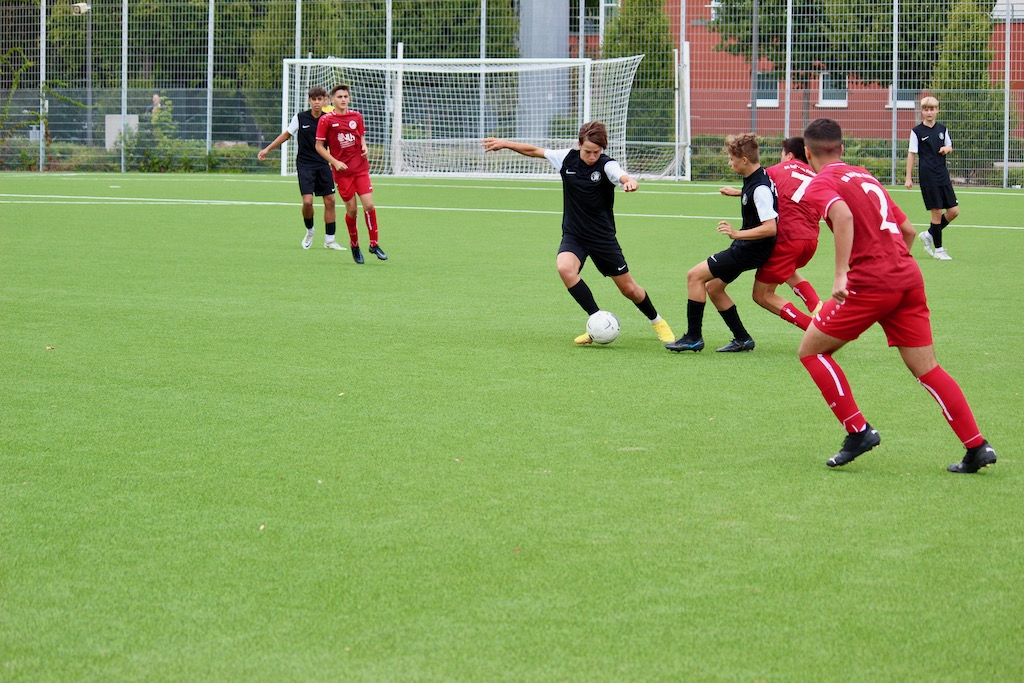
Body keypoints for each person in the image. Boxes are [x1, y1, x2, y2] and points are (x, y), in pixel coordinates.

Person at [798, 117, 996, 473]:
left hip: (870, 282)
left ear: (808, 153)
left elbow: (842, 216)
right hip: (907, 276)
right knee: (928, 369)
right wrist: (891, 265)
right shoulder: (865, 176)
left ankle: (858, 430)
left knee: (811, 351)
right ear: (841, 149)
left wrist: (842, 273)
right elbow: (907, 230)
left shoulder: (821, 183)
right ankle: (977, 445)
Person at [481, 122, 674, 346]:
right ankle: (597, 321)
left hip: (602, 238)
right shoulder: (566, 158)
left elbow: (621, 175)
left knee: (629, 289)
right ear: (579, 144)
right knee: (565, 268)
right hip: (574, 235)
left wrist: (629, 181)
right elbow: (534, 151)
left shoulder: (607, 165)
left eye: (597, 152)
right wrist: (506, 144)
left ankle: (658, 322)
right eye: (588, 151)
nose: (592, 156)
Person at [666, 133, 776, 353]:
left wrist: (736, 234)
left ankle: (693, 337)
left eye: (731, 159)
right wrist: (738, 193)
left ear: (744, 160)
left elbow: (770, 227)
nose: (729, 163)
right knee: (714, 288)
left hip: (750, 249)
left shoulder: (760, 188)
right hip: (751, 248)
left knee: (694, 276)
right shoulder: (758, 177)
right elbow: (758, 196)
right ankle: (742, 339)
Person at [719, 137, 822, 332]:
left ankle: (816, 330)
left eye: (782, 154)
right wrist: (738, 193)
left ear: (789, 156)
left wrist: (738, 192)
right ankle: (816, 306)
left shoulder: (778, 170)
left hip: (788, 238)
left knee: (762, 295)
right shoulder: (815, 175)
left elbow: (760, 185)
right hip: (810, 240)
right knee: (788, 271)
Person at [258, 86, 340, 250]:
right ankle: (310, 230)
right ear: (309, 101)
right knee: (308, 202)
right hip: (305, 165)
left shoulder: (329, 119)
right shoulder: (300, 118)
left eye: (320, 99)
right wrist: (267, 149)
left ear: (325, 101)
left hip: (323, 163)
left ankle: (330, 241)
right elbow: (286, 134)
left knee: (330, 200)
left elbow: (336, 141)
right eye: (314, 99)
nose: (317, 102)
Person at [315, 84, 388, 264]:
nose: (343, 99)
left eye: (345, 96)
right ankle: (354, 245)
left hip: (360, 168)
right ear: (332, 100)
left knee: (369, 205)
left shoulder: (356, 116)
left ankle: (374, 244)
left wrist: (364, 146)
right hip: (342, 173)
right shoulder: (326, 120)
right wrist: (335, 162)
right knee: (352, 210)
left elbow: (360, 136)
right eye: (339, 97)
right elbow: (319, 146)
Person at [904, 96, 958, 261]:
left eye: (932, 109)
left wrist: (947, 149)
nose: (929, 112)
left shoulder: (942, 129)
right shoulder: (917, 132)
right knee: (937, 211)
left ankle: (928, 234)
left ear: (937, 110)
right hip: (928, 176)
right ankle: (939, 250)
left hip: (943, 174)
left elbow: (949, 146)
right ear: (922, 111)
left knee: (953, 211)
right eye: (926, 109)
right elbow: (911, 154)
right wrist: (908, 177)